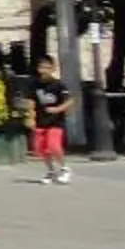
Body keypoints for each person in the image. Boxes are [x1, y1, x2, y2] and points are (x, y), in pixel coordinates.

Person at [30, 54, 73, 184]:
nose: (44, 70)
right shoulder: (34, 84)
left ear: (53, 69)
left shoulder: (59, 85)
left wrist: (58, 109)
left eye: (47, 68)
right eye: (42, 67)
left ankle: (64, 168)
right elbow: (31, 101)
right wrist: (30, 117)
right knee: (39, 148)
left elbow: (70, 100)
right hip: (40, 121)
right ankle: (51, 171)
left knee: (53, 145)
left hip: (56, 121)